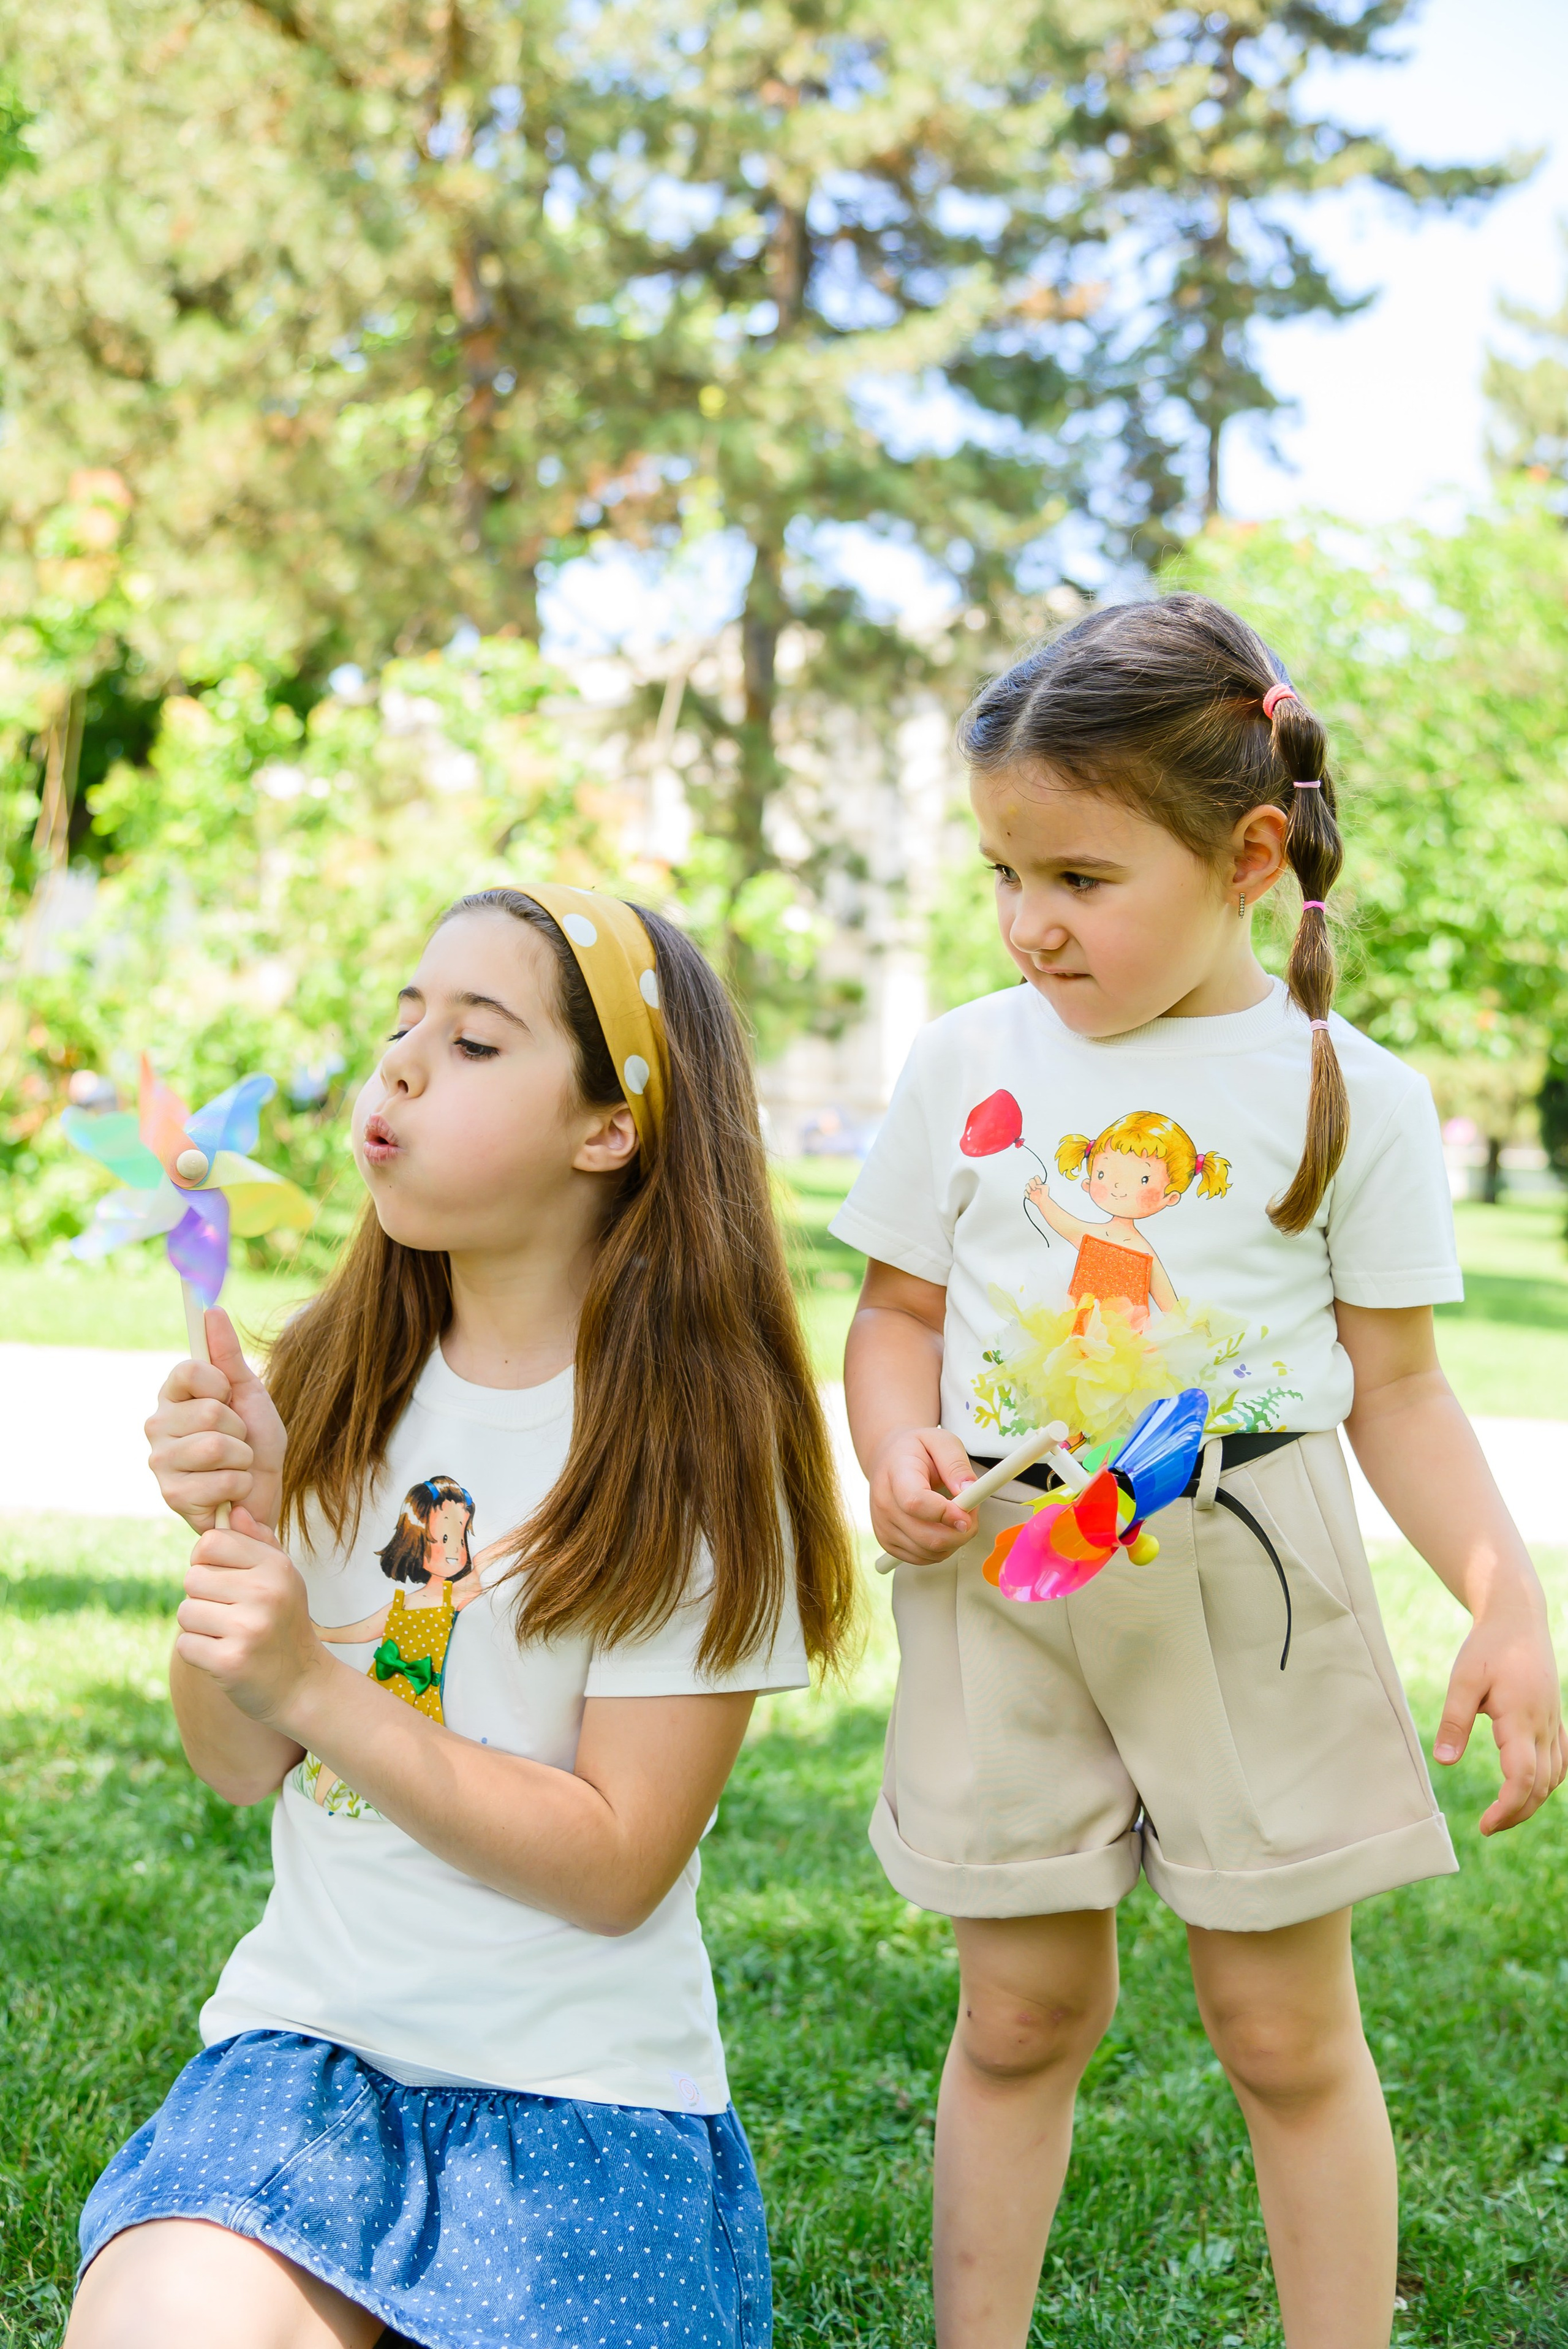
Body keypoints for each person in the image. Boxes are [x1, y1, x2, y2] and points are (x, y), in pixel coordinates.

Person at [829, 595, 1565, 2349]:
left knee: (1284, 2031)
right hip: (1017, 1570)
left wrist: (1504, 1592)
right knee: (1016, 2012)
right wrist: (895, 1446)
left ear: (1247, 854)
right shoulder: (961, 1061)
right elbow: (890, 1314)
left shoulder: (1343, 1091)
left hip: (1253, 1573)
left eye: (1079, 878)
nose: (1031, 927)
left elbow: (1397, 1387)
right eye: (1006, 875)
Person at [68, 883, 857, 2349]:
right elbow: (238, 1763)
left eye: (477, 1042)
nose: (405, 1065)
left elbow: (617, 1864)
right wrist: (235, 1545)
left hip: (582, 2100)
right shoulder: (331, 1380)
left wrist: (317, 1683)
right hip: (312, 2059)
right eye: (401, 1023)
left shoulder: (691, 1448)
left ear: (606, 1126)